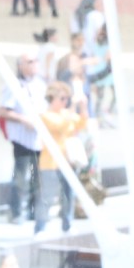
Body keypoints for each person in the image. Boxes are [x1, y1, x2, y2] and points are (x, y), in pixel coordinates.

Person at [0, 53, 45, 223]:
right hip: (22, 138)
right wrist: (24, 120)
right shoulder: (14, 85)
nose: (35, 64)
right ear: (21, 66)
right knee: (20, 176)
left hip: (39, 138)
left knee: (37, 177)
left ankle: (33, 211)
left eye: (36, 61)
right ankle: (15, 212)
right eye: (30, 62)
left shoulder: (40, 84)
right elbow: (3, 111)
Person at [36, 81, 87, 233]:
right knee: (47, 197)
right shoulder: (45, 115)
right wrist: (73, 107)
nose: (65, 102)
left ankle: (67, 224)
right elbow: (60, 126)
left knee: (68, 195)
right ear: (52, 99)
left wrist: (83, 106)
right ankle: (40, 228)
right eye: (62, 99)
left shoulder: (66, 113)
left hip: (68, 161)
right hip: (50, 163)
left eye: (67, 99)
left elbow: (81, 124)